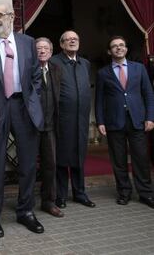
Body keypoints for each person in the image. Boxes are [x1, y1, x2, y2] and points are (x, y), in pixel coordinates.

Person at [0, 2, 44, 235]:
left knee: (28, 164)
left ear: (12, 17)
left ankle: (25, 212)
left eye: (0, 15)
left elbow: (35, 76)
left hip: (23, 107)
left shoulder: (27, 43)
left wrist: (33, 101)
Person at [95, 36, 154, 208]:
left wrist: (150, 117)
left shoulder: (139, 68)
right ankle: (124, 192)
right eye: (114, 46)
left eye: (121, 45)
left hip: (138, 121)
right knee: (118, 160)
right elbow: (99, 100)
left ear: (126, 49)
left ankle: (146, 193)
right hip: (114, 122)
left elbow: (149, 94)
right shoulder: (103, 73)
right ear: (109, 51)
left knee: (141, 159)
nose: (118, 48)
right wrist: (100, 121)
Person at [51, 30, 95, 209]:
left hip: (81, 119)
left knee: (79, 156)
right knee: (62, 158)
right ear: (61, 44)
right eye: (68, 39)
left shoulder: (85, 63)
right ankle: (60, 195)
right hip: (62, 119)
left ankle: (80, 193)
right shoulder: (54, 62)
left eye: (75, 39)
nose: (72, 41)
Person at [35, 37, 64, 217]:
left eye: (46, 48)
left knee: (50, 164)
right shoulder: (27, 70)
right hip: (31, 127)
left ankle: (48, 201)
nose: (42, 51)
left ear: (51, 52)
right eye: (39, 48)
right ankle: (26, 202)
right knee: (28, 166)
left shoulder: (56, 70)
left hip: (50, 126)